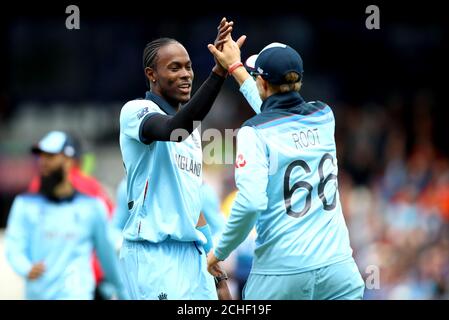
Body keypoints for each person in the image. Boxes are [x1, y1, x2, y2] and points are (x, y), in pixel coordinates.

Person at [206, 38, 365, 299]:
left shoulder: (252, 132)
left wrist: (219, 253)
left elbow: (250, 204)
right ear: (298, 81)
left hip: (281, 274)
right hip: (339, 270)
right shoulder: (324, 116)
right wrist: (235, 67)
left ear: (263, 84)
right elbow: (278, 112)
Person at [118, 18, 240, 300]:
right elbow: (175, 130)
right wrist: (219, 73)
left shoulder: (193, 133)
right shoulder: (135, 111)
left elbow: (192, 204)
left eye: (188, 66)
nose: (186, 74)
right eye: (174, 68)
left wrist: (218, 273)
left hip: (193, 256)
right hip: (153, 254)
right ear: (152, 74)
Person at [4, 131, 127, 299]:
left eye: (51, 156)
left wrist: (121, 291)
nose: (43, 162)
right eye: (42, 156)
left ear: (69, 160)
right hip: (40, 293)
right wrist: (25, 267)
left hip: (79, 292)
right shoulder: (25, 204)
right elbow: (14, 245)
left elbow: (107, 253)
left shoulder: (92, 205)